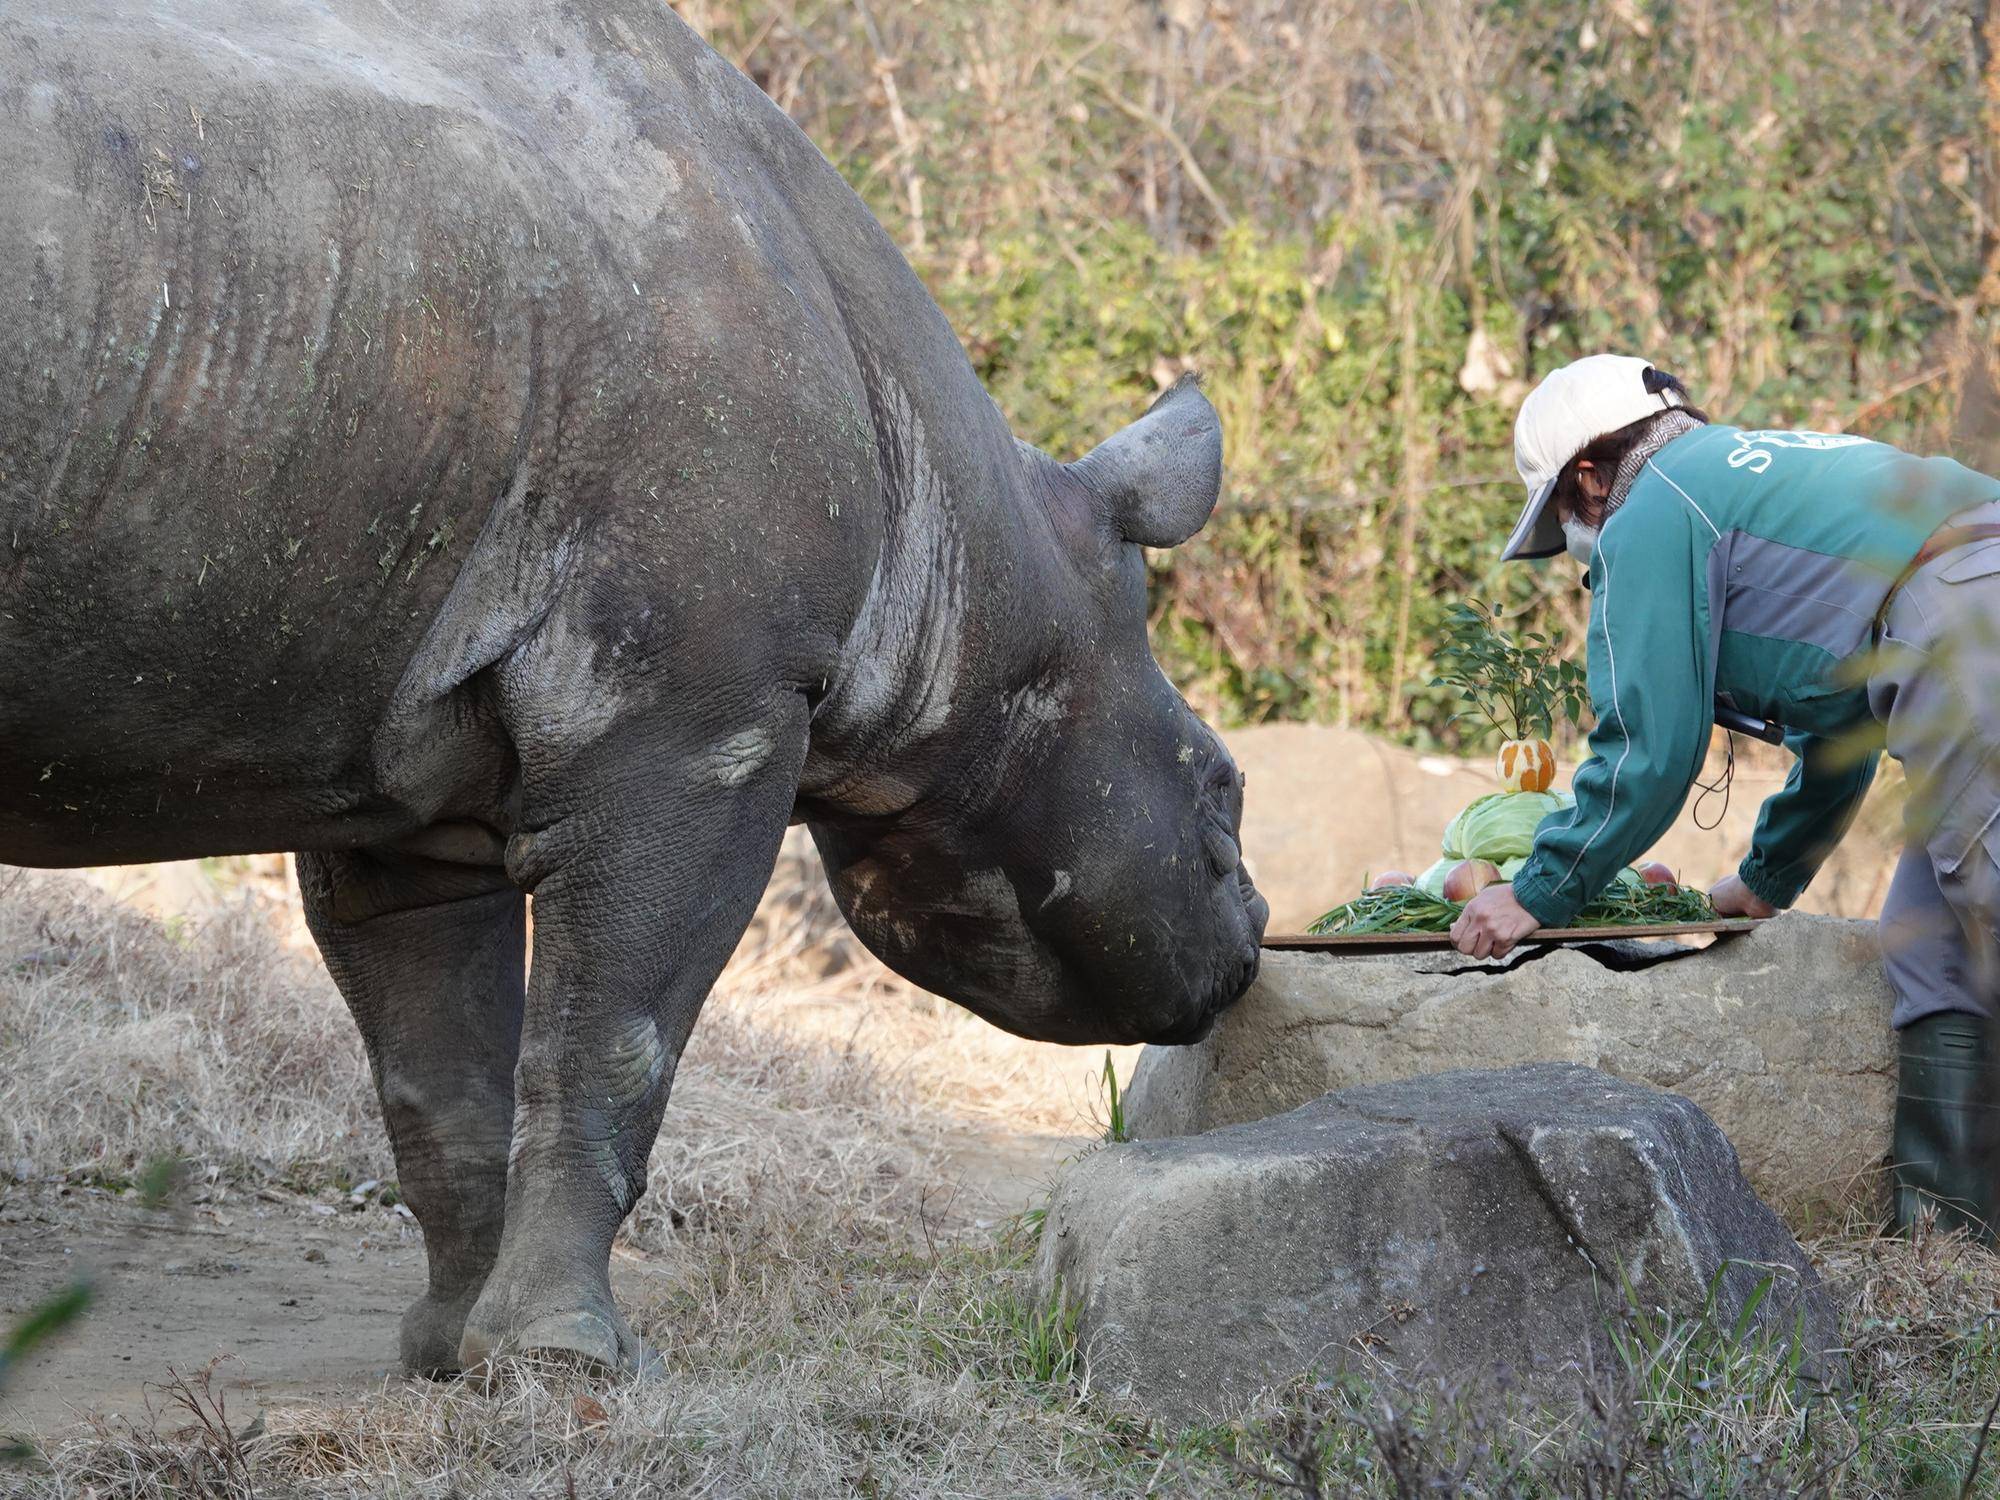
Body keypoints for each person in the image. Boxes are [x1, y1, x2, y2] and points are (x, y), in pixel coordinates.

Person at [1449, 353, 2000, 1239]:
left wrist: (1538, 892)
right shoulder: (1744, 483)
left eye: (1564, 517)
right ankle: (1953, 1248)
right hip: (1958, 603)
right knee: (1933, 946)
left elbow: (1648, 747)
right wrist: (1765, 881)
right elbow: (1837, 735)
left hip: (1973, 611)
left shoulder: (1654, 508)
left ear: (1590, 474)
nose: (1576, 546)